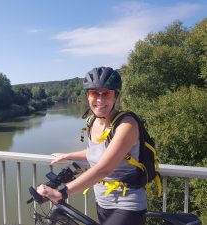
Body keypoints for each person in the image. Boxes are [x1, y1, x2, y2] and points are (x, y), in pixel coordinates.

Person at [37, 66, 147, 225]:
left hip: (128, 204)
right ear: (87, 96)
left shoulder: (126, 125)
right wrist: (68, 155)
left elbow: (104, 167)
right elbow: (97, 152)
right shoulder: (92, 122)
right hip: (102, 202)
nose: (100, 100)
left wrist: (61, 192)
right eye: (94, 93)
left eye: (107, 93)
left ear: (116, 95)